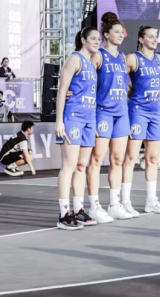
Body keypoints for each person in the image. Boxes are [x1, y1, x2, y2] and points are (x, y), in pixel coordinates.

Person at [87, 14, 132, 223]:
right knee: (97, 160)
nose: (121, 35)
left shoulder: (122, 57)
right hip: (103, 112)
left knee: (117, 160)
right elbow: (84, 78)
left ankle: (114, 204)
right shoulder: (98, 55)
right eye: (116, 32)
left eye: (122, 32)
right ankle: (94, 206)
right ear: (106, 35)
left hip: (122, 112)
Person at [54, 27, 100, 230]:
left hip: (89, 118)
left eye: (99, 39)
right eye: (93, 38)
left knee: (82, 166)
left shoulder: (92, 63)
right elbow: (62, 90)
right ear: (83, 40)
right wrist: (59, 121)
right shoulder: (75, 59)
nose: (97, 42)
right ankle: (64, 214)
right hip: (73, 117)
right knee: (69, 166)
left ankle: (78, 209)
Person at [124, 26, 160, 215]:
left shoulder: (159, 59)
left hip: (156, 112)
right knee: (131, 157)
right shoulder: (133, 58)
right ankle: (125, 202)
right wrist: (129, 92)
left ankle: (151, 201)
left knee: (153, 158)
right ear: (141, 39)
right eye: (150, 36)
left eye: (156, 36)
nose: (154, 39)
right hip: (138, 111)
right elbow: (117, 79)